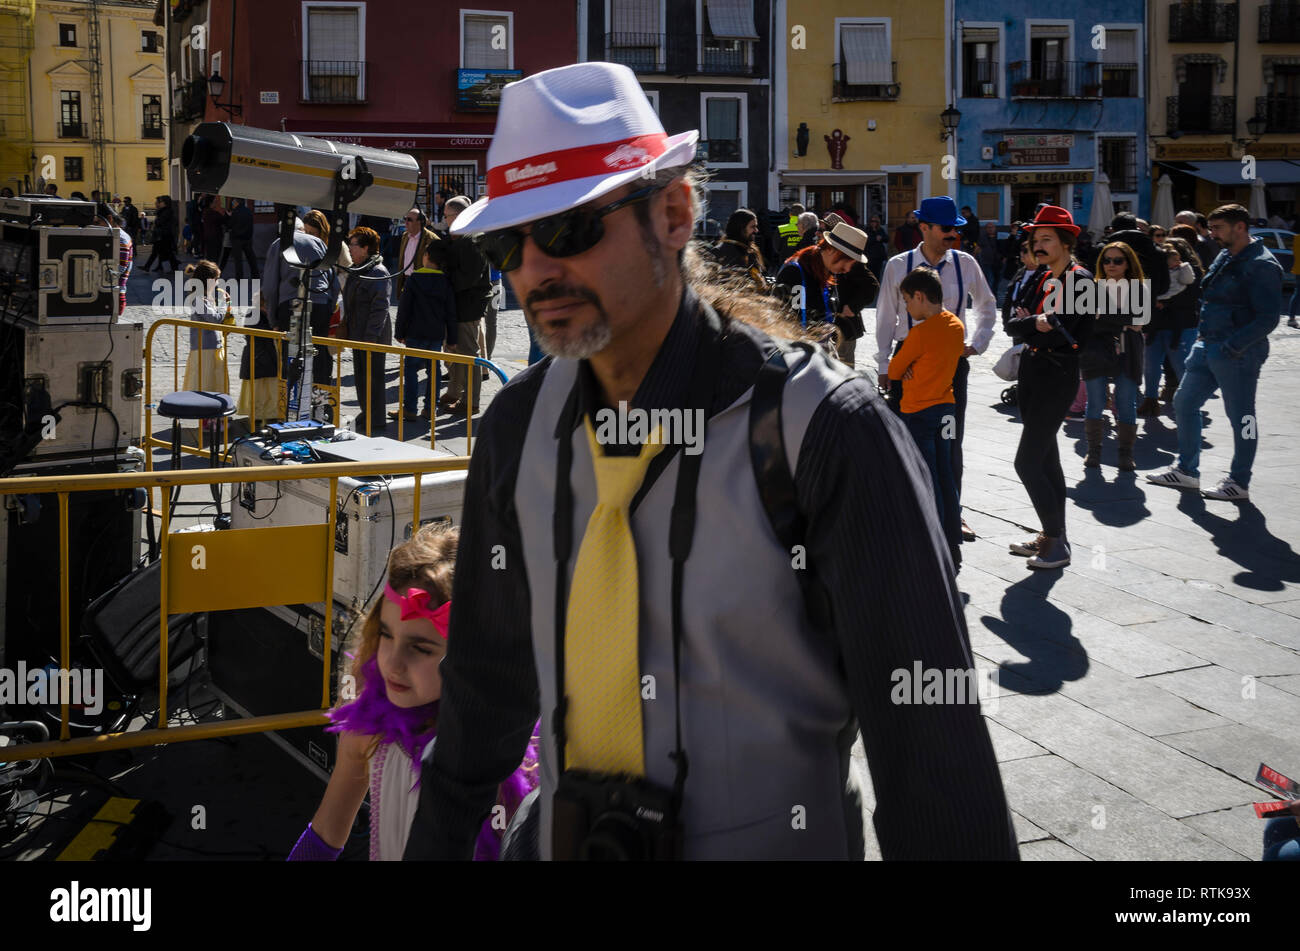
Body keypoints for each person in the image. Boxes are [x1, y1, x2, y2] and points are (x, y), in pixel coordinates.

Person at [402, 60, 1017, 861]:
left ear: (675, 213)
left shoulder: (826, 430)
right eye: (505, 244)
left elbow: (934, 766)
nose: (535, 270)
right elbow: (484, 695)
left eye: (567, 229)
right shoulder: (518, 426)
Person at [288, 524, 540, 861]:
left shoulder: (506, 758)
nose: (393, 663)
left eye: (420, 648)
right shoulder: (368, 733)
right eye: (387, 635)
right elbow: (325, 834)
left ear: (475, 658)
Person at [875, 195, 998, 542]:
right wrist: (885, 364)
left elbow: (987, 305)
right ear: (924, 227)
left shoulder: (966, 264)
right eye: (946, 229)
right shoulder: (898, 266)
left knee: (949, 440)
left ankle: (951, 514)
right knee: (905, 439)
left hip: (949, 366)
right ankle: (910, 511)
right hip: (908, 363)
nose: (952, 235)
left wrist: (979, 342)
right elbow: (886, 317)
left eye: (955, 229)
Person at [1147, 204, 1282, 502]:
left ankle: (1239, 481)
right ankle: (1186, 470)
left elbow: (1268, 318)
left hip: (1238, 351)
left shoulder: (1262, 264)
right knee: (1184, 403)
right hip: (1205, 343)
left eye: (1219, 228)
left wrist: (1231, 347)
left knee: (1242, 417)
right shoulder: (1225, 254)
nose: (1212, 234)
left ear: (1240, 227)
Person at [1004, 205, 1094, 569]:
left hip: (1058, 373)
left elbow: (1067, 333)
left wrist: (1039, 323)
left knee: (1026, 462)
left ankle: (1055, 542)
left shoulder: (1080, 280)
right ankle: (1052, 534)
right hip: (1032, 370)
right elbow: (1012, 322)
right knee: (1047, 458)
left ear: (1066, 242)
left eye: (1046, 240)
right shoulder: (1041, 277)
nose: (1038, 246)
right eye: (1035, 240)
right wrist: (1034, 323)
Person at [888, 266, 965, 568]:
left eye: (907, 300)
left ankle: (933, 544)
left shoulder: (919, 334)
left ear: (920, 296)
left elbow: (894, 371)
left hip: (919, 412)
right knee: (946, 475)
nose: (907, 306)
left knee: (927, 478)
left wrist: (910, 367)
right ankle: (952, 540)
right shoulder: (956, 324)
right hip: (947, 409)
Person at [1082, 242, 1145, 471]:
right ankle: (1093, 451)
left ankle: (1125, 453)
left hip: (1128, 351)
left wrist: (1103, 316)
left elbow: (1138, 322)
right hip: (1095, 351)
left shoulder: (1139, 288)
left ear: (1128, 263)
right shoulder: (1091, 287)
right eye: (1106, 260)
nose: (1111, 265)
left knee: (1126, 401)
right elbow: (1087, 321)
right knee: (1095, 402)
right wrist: (1122, 318)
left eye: (1117, 260)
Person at [392, 241, 457, 422]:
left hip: (415, 333)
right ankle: (430, 408)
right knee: (433, 371)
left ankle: (410, 408)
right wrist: (452, 338)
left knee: (411, 370)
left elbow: (404, 309)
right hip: (435, 335)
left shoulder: (414, 279)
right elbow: (451, 313)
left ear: (426, 256)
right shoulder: (445, 282)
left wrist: (399, 332)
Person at [440, 196, 492, 415]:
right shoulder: (463, 237)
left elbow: (468, 276)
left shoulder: (471, 238)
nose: (444, 219)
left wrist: (446, 282)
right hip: (461, 303)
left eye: (446, 215)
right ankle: (455, 391)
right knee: (457, 350)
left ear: (458, 215)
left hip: (468, 304)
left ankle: (471, 402)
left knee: (469, 353)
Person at [1141, 236, 1203, 415]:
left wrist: (1165, 303)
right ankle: (1150, 400)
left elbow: (1191, 296)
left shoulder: (1191, 270)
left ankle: (1189, 403)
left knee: (1181, 365)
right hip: (1156, 324)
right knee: (1151, 365)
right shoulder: (1158, 268)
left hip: (1181, 325)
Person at [772, 222, 861, 342]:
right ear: (831, 251)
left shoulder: (828, 272)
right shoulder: (794, 272)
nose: (846, 270)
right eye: (845, 263)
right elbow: (782, 319)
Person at [342, 227, 393, 433]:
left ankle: (377, 419)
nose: (350, 250)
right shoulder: (358, 269)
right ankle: (367, 412)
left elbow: (380, 307)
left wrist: (370, 337)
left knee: (373, 379)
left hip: (372, 338)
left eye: (353, 245)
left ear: (365, 248)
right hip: (358, 334)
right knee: (361, 378)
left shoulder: (378, 272)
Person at [181, 259, 231, 399]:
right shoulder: (197, 298)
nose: (217, 283)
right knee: (206, 384)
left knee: (215, 383)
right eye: (216, 279)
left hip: (212, 346)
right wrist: (223, 303)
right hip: (205, 349)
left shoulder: (205, 297)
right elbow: (214, 318)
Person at [704, 208, 767, 289]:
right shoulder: (719, 253)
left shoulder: (750, 251)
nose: (756, 230)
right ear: (740, 228)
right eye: (753, 227)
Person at [94, 202, 132, 316]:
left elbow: (120, 267)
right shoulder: (114, 236)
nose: (94, 226)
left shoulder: (120, 238)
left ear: (109, 219)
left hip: (114, 295)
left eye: (97, 222)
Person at [396, 207, 438, 298]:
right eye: (405, 219)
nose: (406, 222)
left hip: (423, 284)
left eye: (409, 220)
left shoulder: (431, 239)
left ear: (420, 222)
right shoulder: (405, 236)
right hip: (406, 282)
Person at [141, 195, 180, 274]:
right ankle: (149, 266)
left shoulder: (167, 212)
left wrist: (157, 221)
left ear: (165, 203)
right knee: (160, 252)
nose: (158, 203)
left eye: (160, 202)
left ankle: (148, 266)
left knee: (164, 252)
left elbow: (160, 222)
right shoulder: (164, 211)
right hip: (162, 235)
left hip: (164, 235)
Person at [221, 197, 258, 280]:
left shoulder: (235, 212)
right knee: (251, 259)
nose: (233, 204)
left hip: (236, 239)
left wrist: (228, 218)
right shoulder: (248, 211)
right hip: (247, 238)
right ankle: (255, 276)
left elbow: (230, 225)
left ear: (237, 202)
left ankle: (239, 278)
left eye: (234, 202)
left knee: (238, 261)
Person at [978, 221, 1002, 294]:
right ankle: (988, 296)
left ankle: (994, 296)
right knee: (989, 280)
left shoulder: (1000, 236)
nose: (990, 229)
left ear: (995, 228)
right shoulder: (982, 237)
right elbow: (977, 248)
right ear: (985, 229)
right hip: (986, 262)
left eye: (992, 227)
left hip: (998, 262)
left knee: (997, 281)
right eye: (988, 227)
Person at [863, 213, 889, 280]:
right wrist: (875, 239)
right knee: (870, 273)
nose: (874, 223)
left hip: (879, 256)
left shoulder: (880, 230)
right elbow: (866, 241)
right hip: (870, 256)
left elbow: (887, 239)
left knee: (878, 273)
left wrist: (881, 238)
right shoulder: (867, 230)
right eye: (872, 221)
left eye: (875, 221)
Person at [1289, 232, 1300, 329]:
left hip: (1298, 270)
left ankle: (1291, 318)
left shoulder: (1296, 238)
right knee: (1297, 294)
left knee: (1297, 294)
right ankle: (1291, 319)